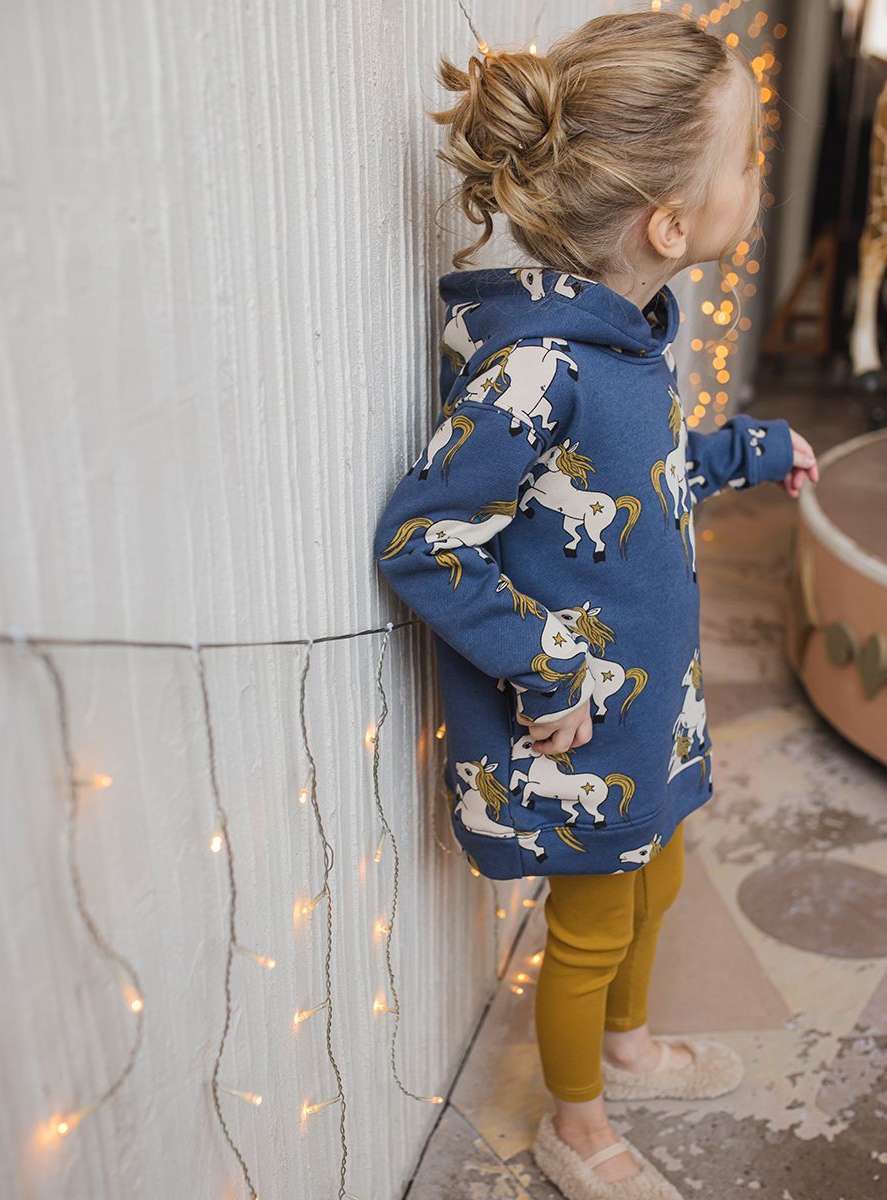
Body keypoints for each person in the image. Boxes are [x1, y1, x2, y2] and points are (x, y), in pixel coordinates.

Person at [373, 9, 818, 1198]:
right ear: (670, 224)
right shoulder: (539, 368)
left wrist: (748, 450)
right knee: (589, 932)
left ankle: (628, 1046)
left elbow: (639, 474)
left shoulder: (624, 343)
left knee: (659, 876)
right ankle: (576, 1129)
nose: (760, 180)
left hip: (652, 704)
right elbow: (423, 538)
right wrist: (546, 665)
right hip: (585, 716)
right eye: (748, 160)